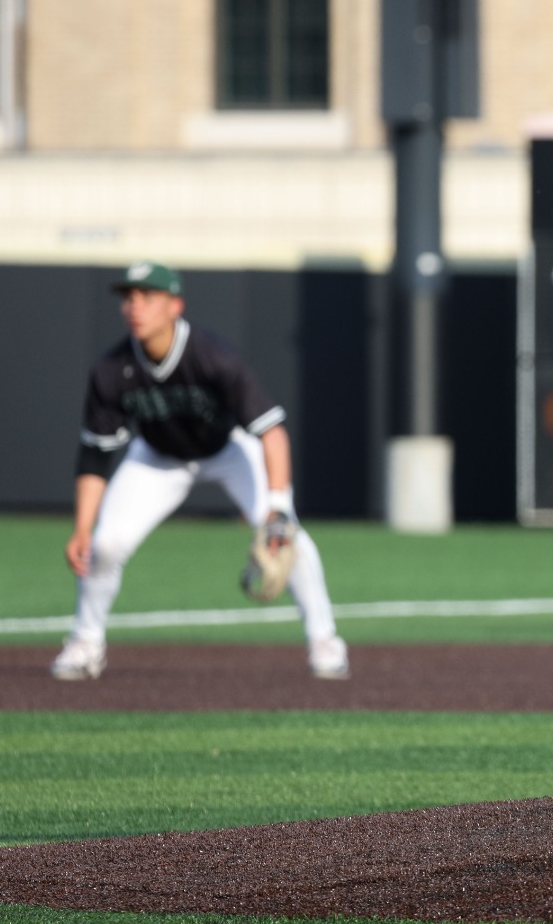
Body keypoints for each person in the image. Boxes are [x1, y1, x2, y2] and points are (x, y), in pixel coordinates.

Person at [51, 262, 347, 681]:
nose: (135, 306)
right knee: (106, 545)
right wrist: (82, 527)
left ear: (175, 306)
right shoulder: (112, 370)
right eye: (129, 298)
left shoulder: (213, 356)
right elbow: (95, 455)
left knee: (284, 535)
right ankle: (85, 641)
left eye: (147, 297)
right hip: (157, 458)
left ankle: (324, 641)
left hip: (228, 449)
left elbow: (272, 432)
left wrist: (279, 506)